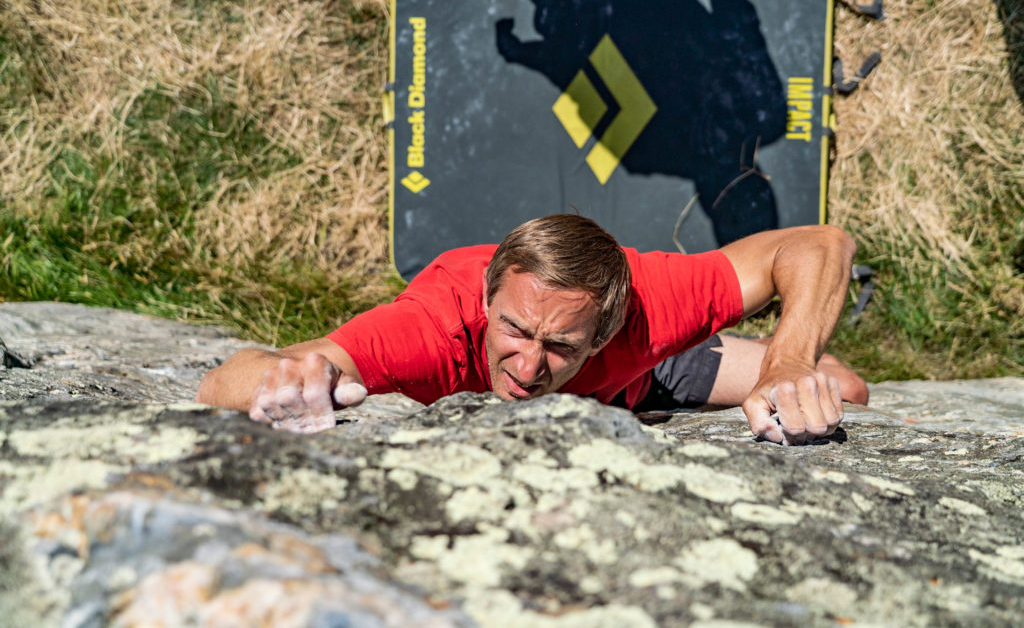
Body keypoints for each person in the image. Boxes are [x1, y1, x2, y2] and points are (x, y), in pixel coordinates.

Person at [198, 214, 866, 445]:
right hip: (613, 372)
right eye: (515, 329)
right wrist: (284, 381)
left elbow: (819, 244)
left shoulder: (648, 303)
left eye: (559, 345)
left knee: (846, 390)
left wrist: (790, 359)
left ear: (603, 330)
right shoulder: (433, 326)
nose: (527, 363)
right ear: (489, 299)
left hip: (641, 376)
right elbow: (223, 382)